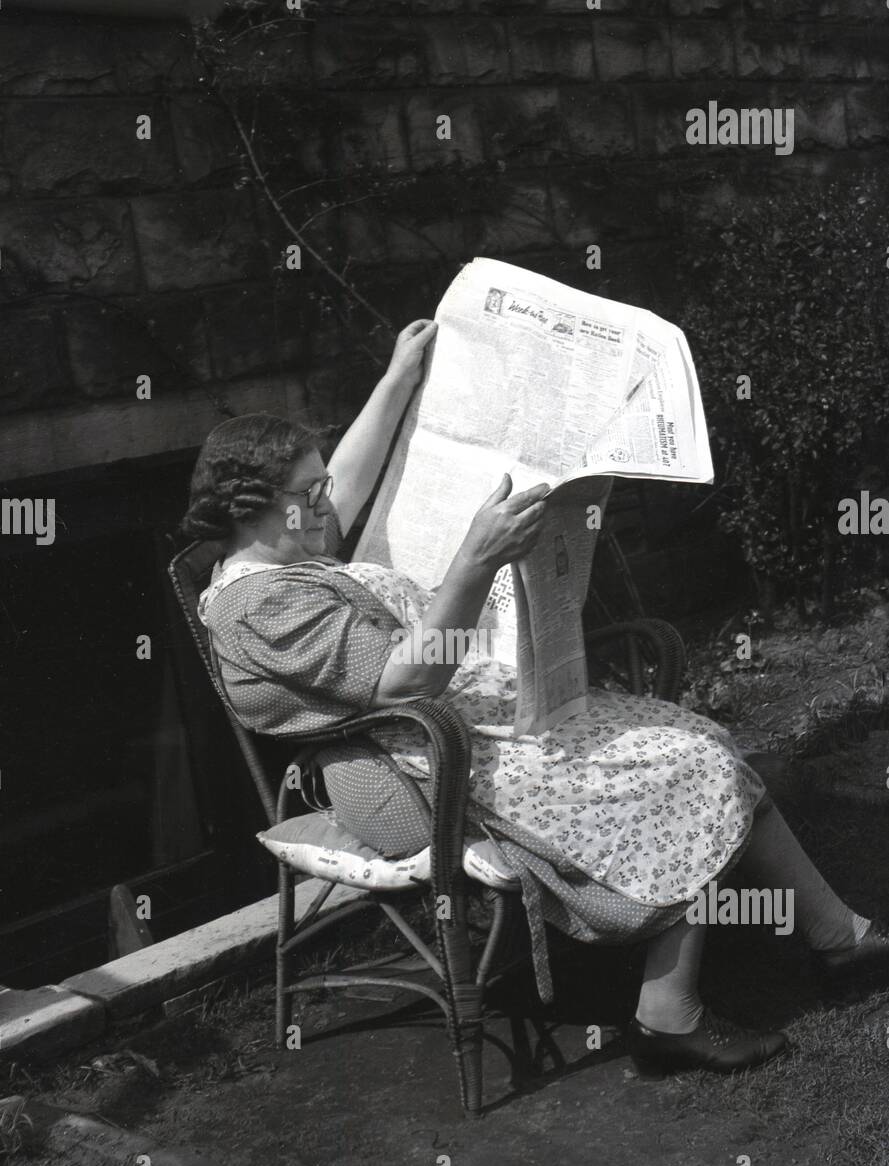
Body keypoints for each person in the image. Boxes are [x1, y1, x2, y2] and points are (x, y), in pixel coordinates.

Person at [183, 319, 889, 1076]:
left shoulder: (289, 541)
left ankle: (836, 938)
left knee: (698, 741)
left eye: (323, 485)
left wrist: (397, 375)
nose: (328, 501)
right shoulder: (257, 607)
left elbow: (346, 484)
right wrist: (476, 559)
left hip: (448, 727)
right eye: (308, 492)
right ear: (252, 506)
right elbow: (403, 679)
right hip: (400, 768)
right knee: (682, 772)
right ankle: (665, 1014)